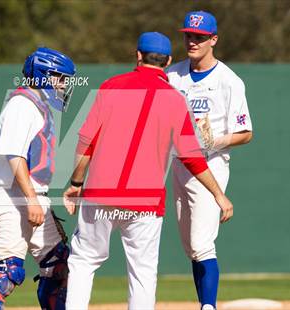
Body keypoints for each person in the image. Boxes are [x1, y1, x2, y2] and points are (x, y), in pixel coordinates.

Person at [63, 32, 234, 310]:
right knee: (142, 272)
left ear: (138, 55)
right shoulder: (176, 100)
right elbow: (192, 157)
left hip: (100, 194)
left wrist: (75, 182)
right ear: (167, 61)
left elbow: (86, 141)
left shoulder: (111, 87)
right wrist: (219, 195)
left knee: (84, 261)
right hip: (146, 201)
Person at [0, 47, 76, 309]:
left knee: (59, 266)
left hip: (32, 196)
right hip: (14, 197)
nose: (63, 84)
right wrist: (31, 200)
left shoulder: (39, 105)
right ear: (43, 74)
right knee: (5, 273)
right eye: (59, 77)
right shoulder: (21, 105)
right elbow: (14, 155)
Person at [167, 11, 253, 310]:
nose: (192, 41)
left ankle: (209, 307)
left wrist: (216, 140)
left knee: (203, 244)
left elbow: (246, 133)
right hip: (179, 164)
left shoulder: (229, 81)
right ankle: (204, 302)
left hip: (210, 164)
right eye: (189, 35)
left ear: (213, 40)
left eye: (200, 37)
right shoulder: (172, 75)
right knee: (191, 247)